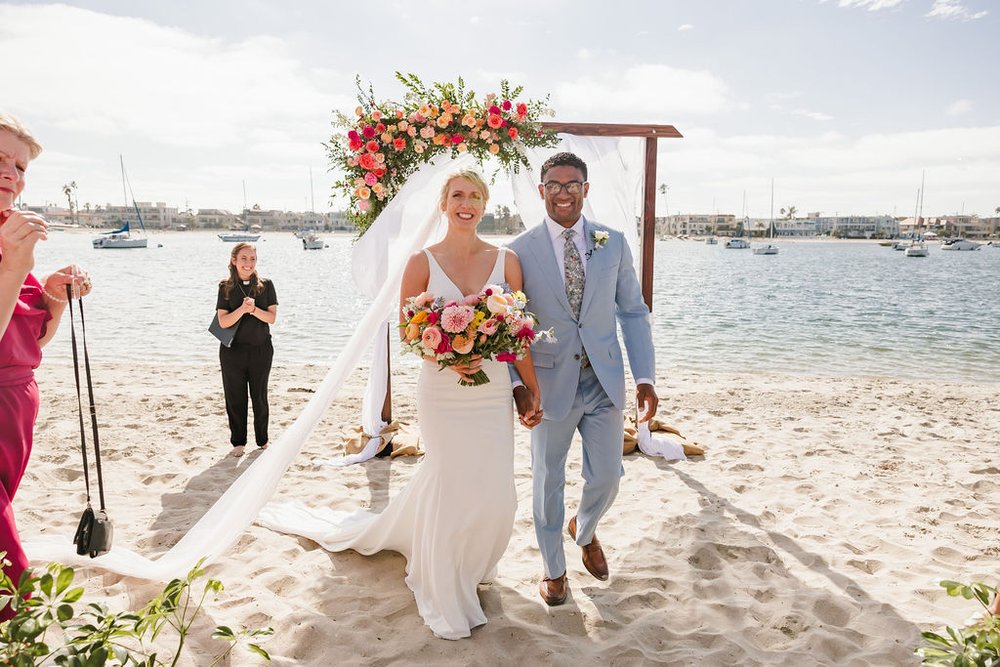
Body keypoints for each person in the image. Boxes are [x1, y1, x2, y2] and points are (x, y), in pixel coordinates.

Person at [258, 169, 541, 640]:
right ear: (443, 204)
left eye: (474, 196)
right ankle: (445, 580)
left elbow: (519, 337)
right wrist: (450, 358)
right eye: (456, 196)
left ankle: (472, 565)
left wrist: (531, 390)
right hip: (442, 391)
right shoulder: (420, 262)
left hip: (491, 390)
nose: (465, 203)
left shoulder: (506, 260)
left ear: (485, 204)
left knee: (493, 487)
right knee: (450, 480)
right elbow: (413, 334)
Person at [507, 151, 659, 606]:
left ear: (585, 190)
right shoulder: (518, 250)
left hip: (604, 379)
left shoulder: (611, 242)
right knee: (547, 479)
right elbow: (510, 325)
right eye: (554, 185)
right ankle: (554, 570)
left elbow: (632, 311)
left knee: (608, 477)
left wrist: (645, 377)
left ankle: (585, 528)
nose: (564, 193)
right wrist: (519, 385)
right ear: (541, 191)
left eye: (573, 185)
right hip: (548, 385)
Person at [0, 113, 90, 615]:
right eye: (0, 159)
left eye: (20, 165)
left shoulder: (11, 233)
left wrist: (54, 295)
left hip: (16, 406)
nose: (12, 173)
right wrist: (15, 264)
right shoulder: (14, 245)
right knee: (10, 573)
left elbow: (38, 336)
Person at [216, 242, 277, 457]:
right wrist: (242, 309)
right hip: (232, 351)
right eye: (243, 258)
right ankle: (238, 442)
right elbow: (223, 322)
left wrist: (254, 310)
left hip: (261, 350)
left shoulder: (266, 285)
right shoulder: (225, 287)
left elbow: (271, 318)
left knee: (259, 396)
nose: (248, 263)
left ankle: (263, 440)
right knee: (235, 397)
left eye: (252, 258)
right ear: (234, 261)